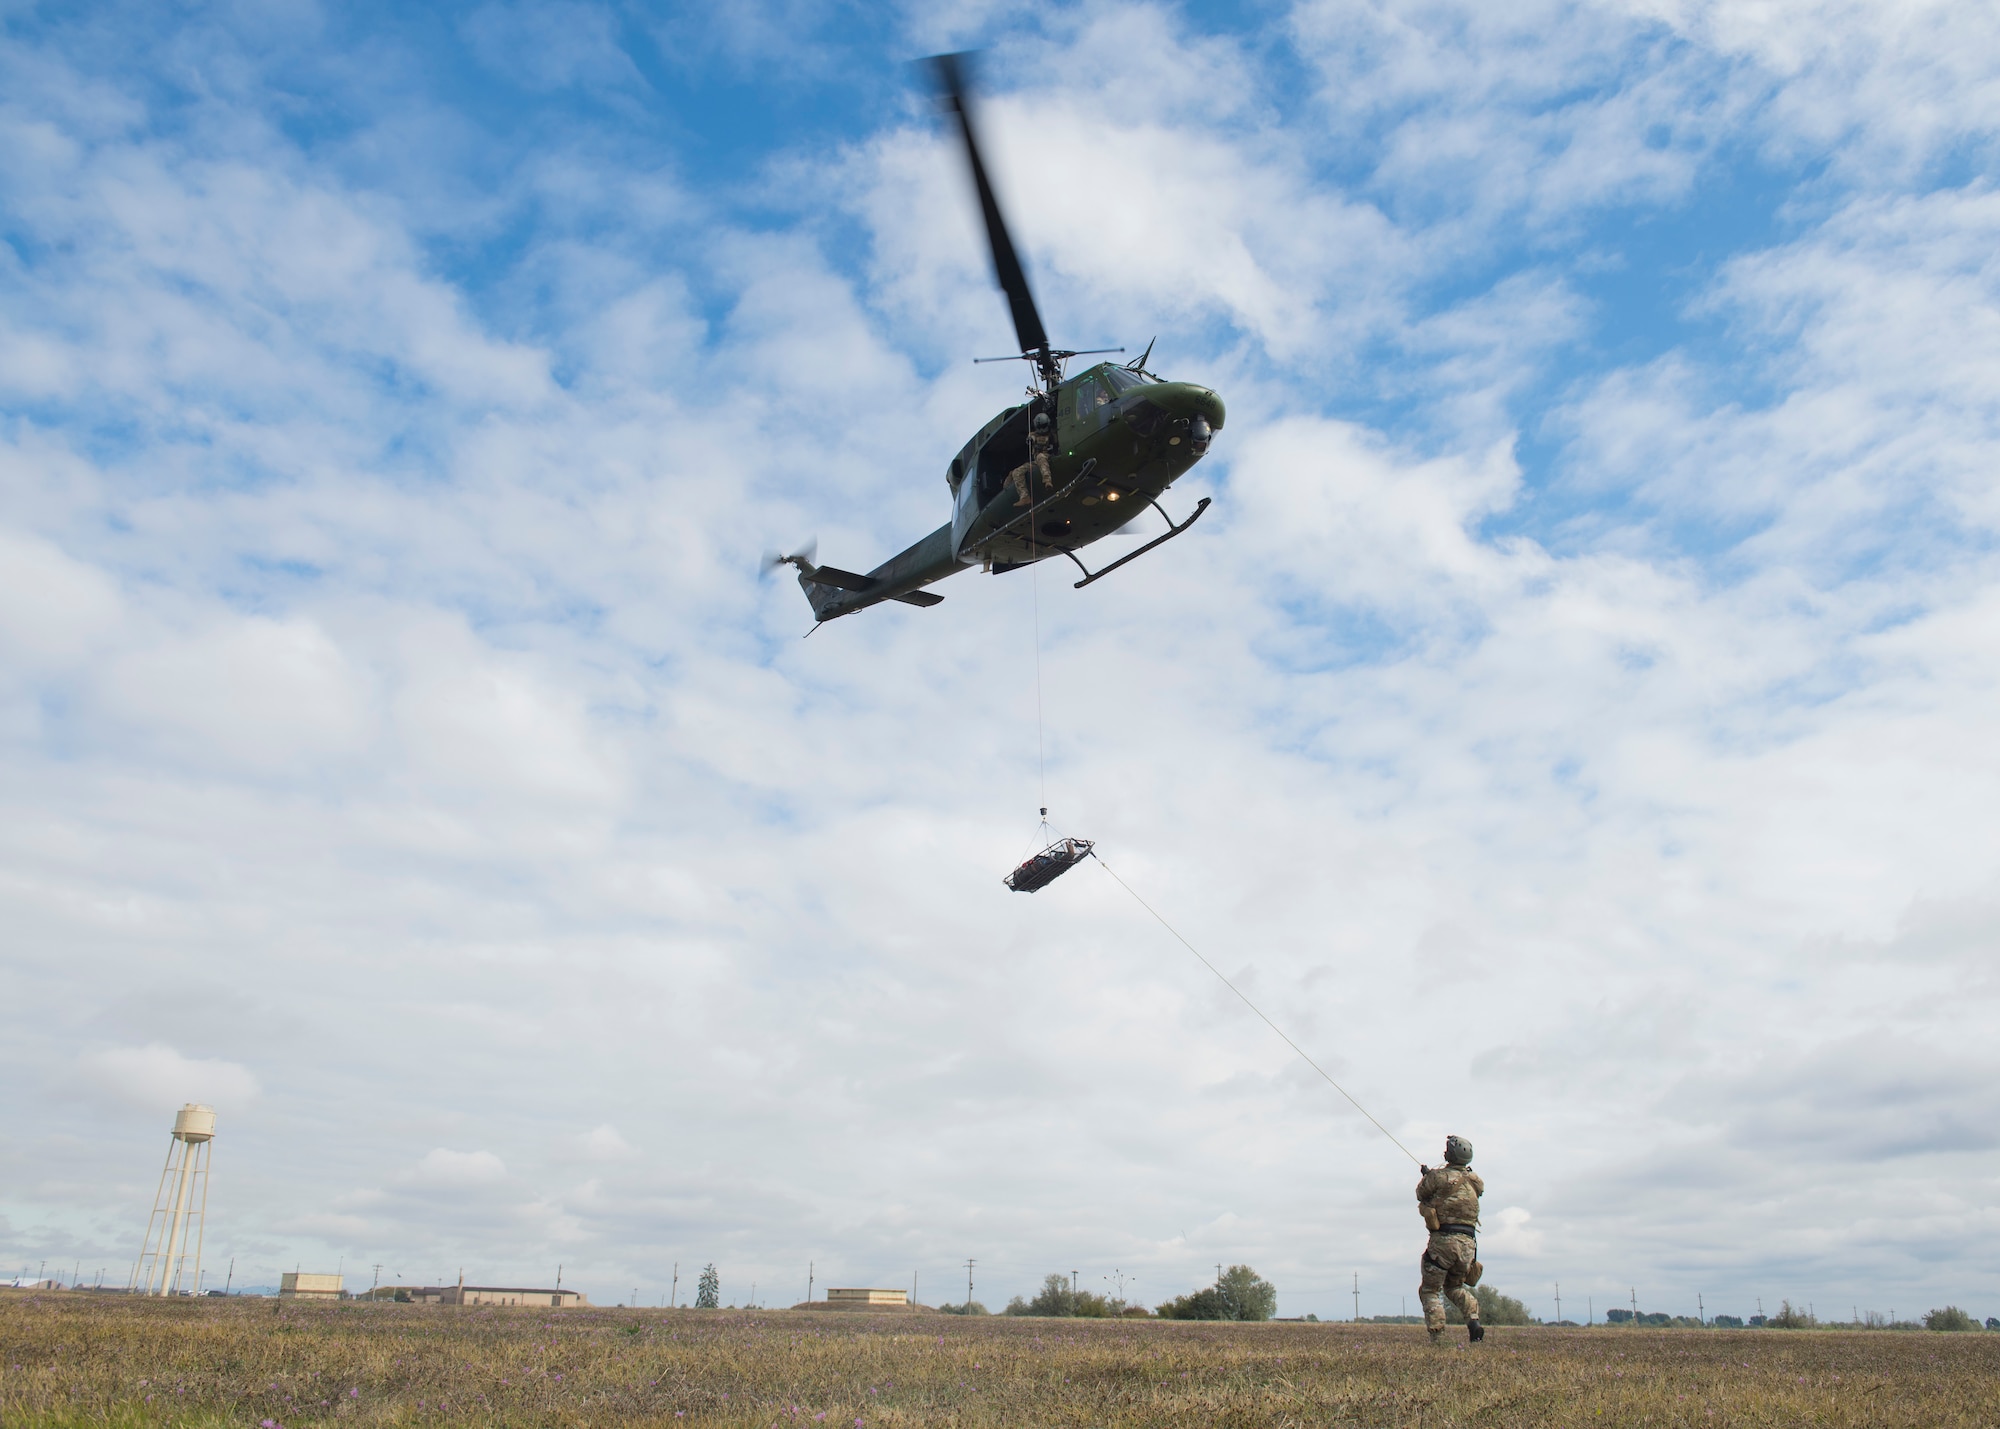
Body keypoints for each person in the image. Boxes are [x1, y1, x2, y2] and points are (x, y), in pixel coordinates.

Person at [1415, 1134, 1484, 1344]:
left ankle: (1438, 1337)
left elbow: (1421, 1193)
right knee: (1454, 1287)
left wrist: (1428, 1176)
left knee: (1430, 1290)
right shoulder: (1476, 1181)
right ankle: (1473, 1321)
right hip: (1468, 1246)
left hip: (1444, 1242)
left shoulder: (1438, 1177)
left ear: (1449, 1154)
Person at [1005, 410, 1054, 509]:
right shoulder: (1033, 434)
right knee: (1016, 472)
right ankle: (1025, 497)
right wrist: (1031, 440)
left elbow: (1054, 445)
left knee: (1041, 457)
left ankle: (1047, 481)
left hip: (1048, 457)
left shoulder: (1052, 435)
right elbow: (1031, 438)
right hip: (1036, 461)